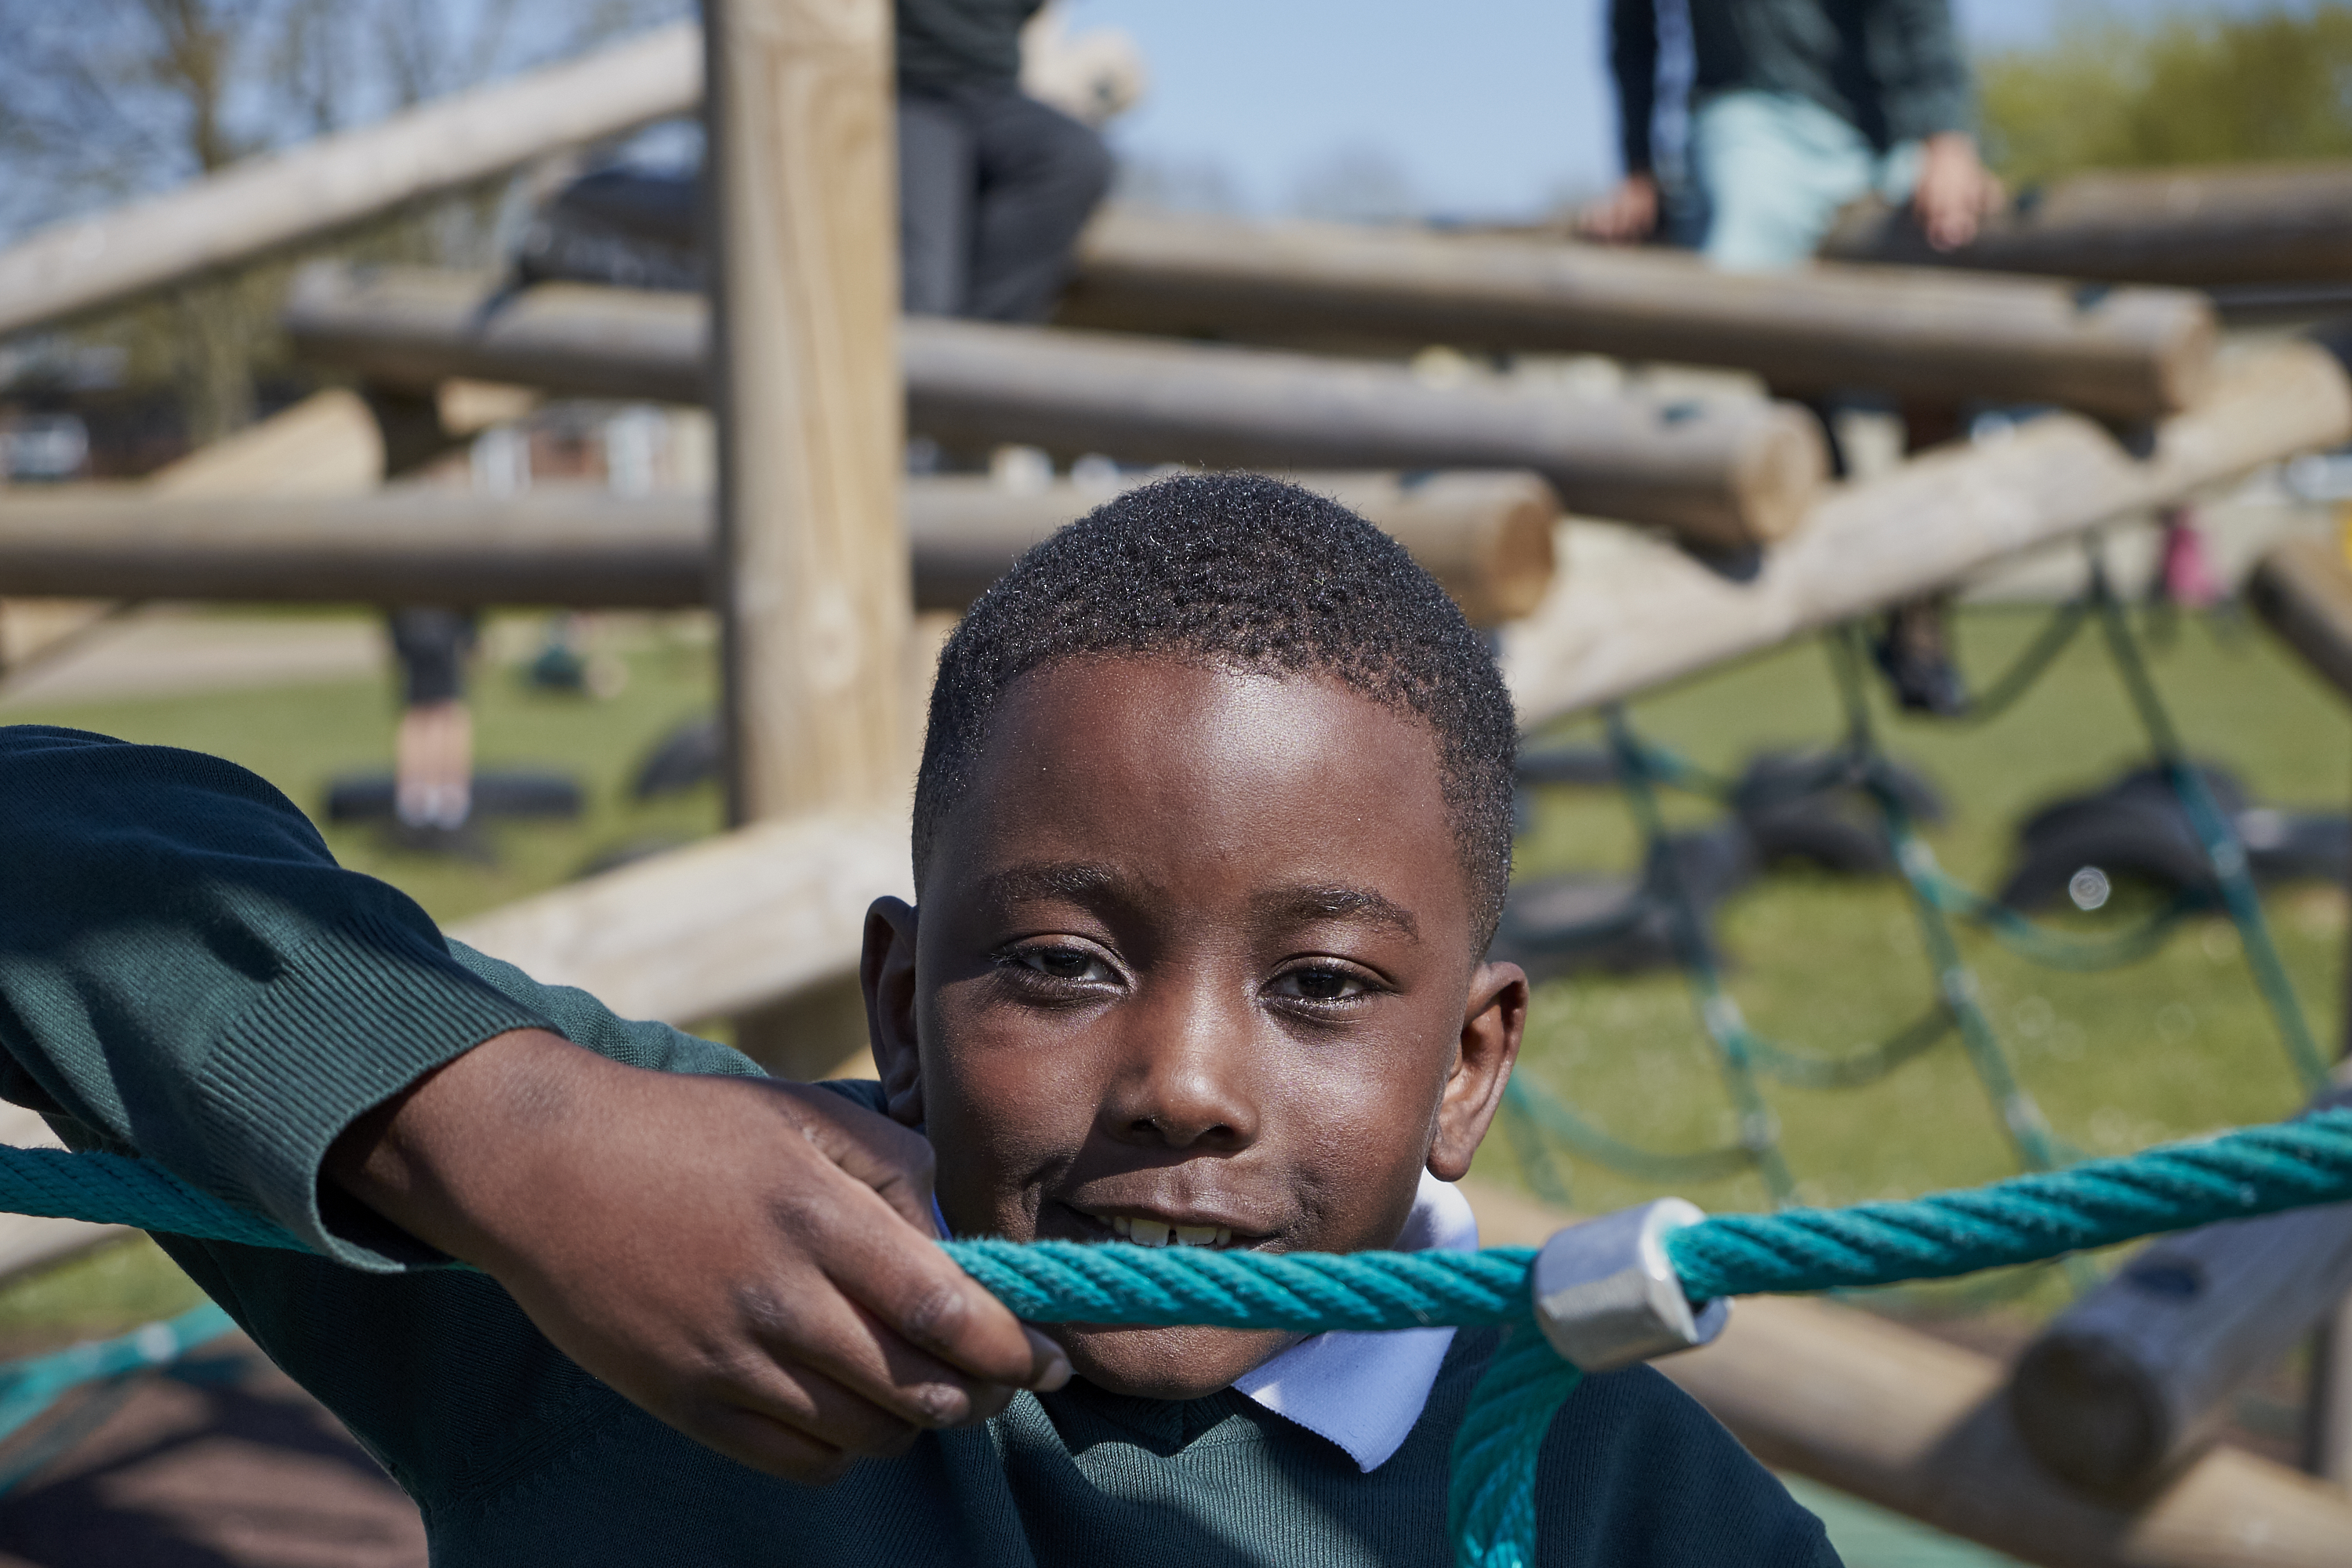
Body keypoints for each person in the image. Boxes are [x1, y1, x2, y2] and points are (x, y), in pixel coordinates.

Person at [0, 477, 1838, 1565]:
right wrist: (503, 1136)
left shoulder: (1626, 1499)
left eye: (1322, 985)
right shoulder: (660, 1259)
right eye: (1058, 960)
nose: (1183, 1082)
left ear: (1467, 1064)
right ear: (898, 997)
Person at [1583, 0, 2002, 271]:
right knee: (1747, 239)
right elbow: (1634, 33)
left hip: (1884, 137)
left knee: (1963, 231)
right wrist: (1638, 168)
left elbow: (1921, 15)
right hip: (1749, 124)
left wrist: (1948, 141)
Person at [895, 0, 1115, 321]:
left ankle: (977, 353)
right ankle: (928, 343)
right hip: (904, 86)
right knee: (925, 291)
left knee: (1075, 158)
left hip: (993, 87)